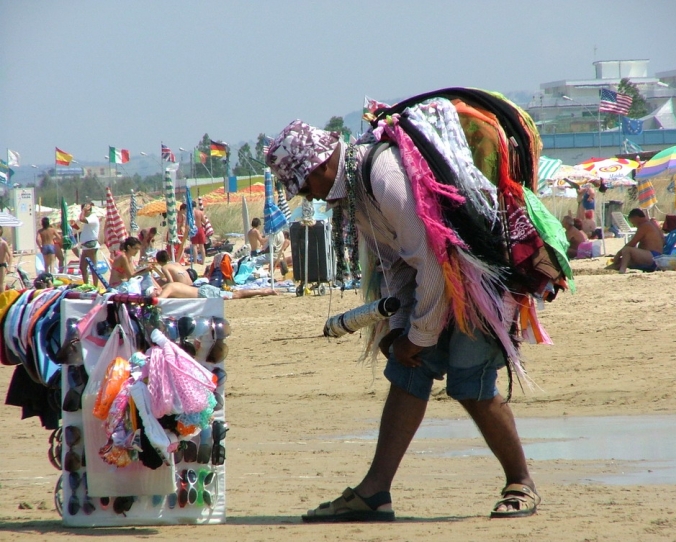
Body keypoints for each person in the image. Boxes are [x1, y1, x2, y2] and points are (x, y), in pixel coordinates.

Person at [266, 120, 540, 522]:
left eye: (306, 188)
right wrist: (400, 331)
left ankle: (521, 482)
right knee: (406, 371)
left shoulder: (382, 174)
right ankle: (374, 493)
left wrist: (420, 336)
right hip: (441, 280)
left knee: (470, 383)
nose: (313, 198)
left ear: (321, 167)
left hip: (481, 276)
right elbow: (393, 262)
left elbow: (430, 261)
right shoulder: (357, 190)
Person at [608, 208, 664, 273]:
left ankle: (622, 270)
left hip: (653, 257)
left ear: (636, 218)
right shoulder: (653, 224)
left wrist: (618, 254)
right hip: (657, 257)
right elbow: (663, 239)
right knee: (622, 261)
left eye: (633, 222)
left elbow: (632, 244)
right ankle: (604, 271)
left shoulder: (644, 226)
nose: (634, 225)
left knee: (627, 250)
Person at [149, 281, 277, 299]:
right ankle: (262, 290)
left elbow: (159, 301)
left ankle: (263, 291)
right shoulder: (166, 286)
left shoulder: (168, 288)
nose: (155, 296)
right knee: (235, 295)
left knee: (235, 295)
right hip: (203, 292)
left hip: (204, 293)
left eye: (154, 294)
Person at [77, 202, 100, 286]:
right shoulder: (89, 219)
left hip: (91, 246)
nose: (83, 212)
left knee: (93, 268)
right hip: (86, 246)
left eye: (84, 210)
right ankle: (87, 284)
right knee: (82, 267)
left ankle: (95, 285)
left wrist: (83, 210)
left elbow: (81, 219)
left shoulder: (92, 217)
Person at [0, 227, 12, 292]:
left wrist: (9, 266)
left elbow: (10, 255)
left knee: (1, 284)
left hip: (2, 265)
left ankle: (1, 298)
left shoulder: (3, 243)